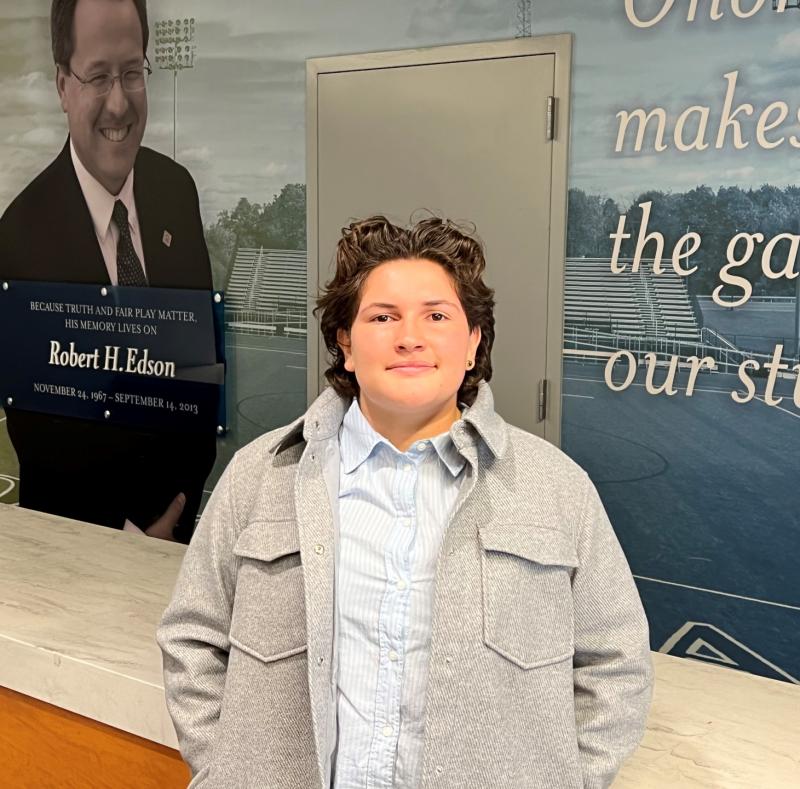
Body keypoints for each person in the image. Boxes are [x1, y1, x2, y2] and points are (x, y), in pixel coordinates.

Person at [158, 216, 653, 787]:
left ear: (473, 342)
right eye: (382, 317)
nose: (409, 337)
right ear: (345, 344)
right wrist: (225, 771)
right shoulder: (259, 476)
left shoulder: (557, 489)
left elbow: (615, 662)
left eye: (436, 316)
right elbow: (192, 636)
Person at [0, 0, 215, 542]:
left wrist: (180, 508)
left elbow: (200, 370)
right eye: (98, 77)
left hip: (180, 534)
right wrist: (128, 539)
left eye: (132, 72)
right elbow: (41, 435)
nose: (119, 104)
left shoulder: (177, 191)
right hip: (78, 552)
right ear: (62, 86)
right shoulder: (19, 236)